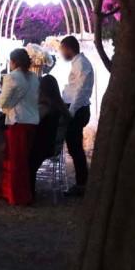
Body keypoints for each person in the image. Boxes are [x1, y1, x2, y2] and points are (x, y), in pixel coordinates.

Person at [0, 48, 40, 205]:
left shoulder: (11, 77)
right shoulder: (34, 78)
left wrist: (6, 108)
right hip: (32, 122)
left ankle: (16, 195)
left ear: (13, 62)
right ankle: (23, 193)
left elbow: (1, 102)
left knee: (15, 161)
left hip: (18, 122)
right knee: (24, 161)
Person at [59, 36, 93, 196]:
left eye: (62, 50)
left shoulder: (81, 64)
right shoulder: (78, 63)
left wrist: (70, 112)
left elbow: (81, 91)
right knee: (74, 147)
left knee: (75, 147)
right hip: (75, 108)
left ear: (68, 48)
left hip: (77, 110)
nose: (61, 53)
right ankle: (81, 182)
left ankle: (82, 184)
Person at [30, 73, 68, 190]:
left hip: (42, 147)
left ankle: (28, 191)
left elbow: (32, 120)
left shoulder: (45, 107)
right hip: (53, 146)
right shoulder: (60, 106)